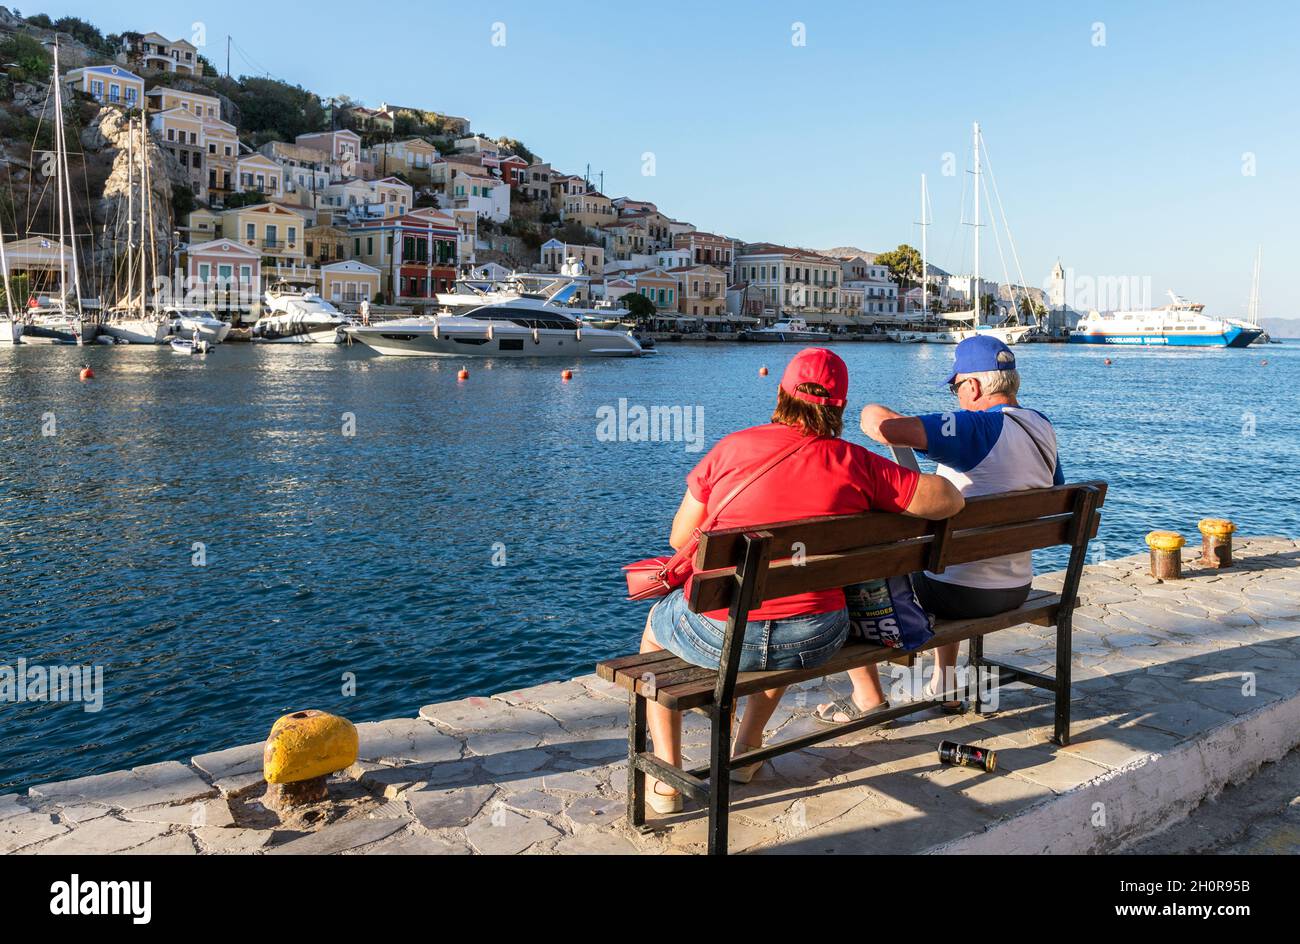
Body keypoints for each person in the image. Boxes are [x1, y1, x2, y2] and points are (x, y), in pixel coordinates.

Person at [638, 348, 965, 813]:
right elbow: (948, 499)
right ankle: (746, 750)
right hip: (816, 636)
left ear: (780, 393)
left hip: (718, 637)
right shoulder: (856, 463)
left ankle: (668, 780)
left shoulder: (731, 448)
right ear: (840, 408)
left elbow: (679, 538)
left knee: (655, 630)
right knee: (790, 609)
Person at [815, 335, 1063, 724]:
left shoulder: (973, 429)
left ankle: (867, 697)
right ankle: (944, 683)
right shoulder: (1040, 426)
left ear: (974, 386)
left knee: (847, 566)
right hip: (1015, 588)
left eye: (955, 387)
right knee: (952, 554)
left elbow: (882, 426)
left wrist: (871, 411)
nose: (956, 396)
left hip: (958, 593)